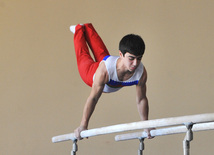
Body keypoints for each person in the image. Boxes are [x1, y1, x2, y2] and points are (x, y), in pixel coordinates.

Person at [70, 23, 152, 140]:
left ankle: (87, 26)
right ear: (120, 54)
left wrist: (146, 125)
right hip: (91, 73)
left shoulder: (141, 72)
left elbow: (141, 99)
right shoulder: (105, 70)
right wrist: (83, 125)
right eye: (131, 58)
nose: (135, 63)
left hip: (109, 66)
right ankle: (79, 29)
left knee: (101, 51)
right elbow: (93, 98)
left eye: (139, 58)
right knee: (83, 54)